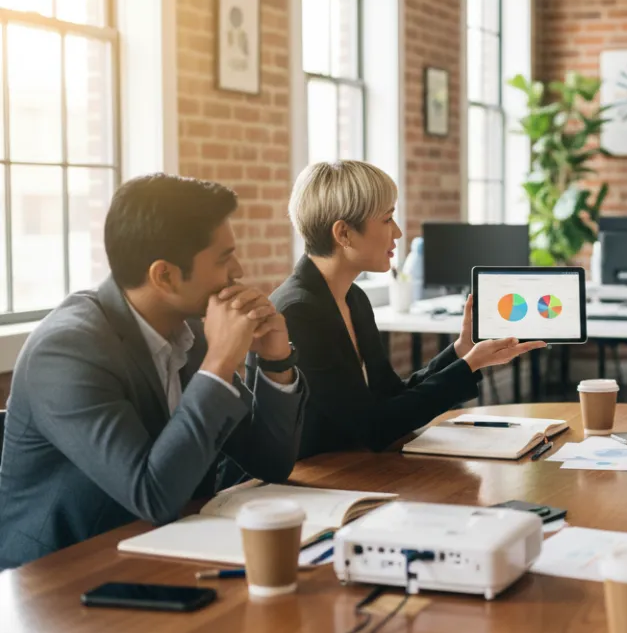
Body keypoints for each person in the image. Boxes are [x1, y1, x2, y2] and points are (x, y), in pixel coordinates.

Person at [0, 175, 306, 569]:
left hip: (160, 552)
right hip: (58, 581)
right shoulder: (67, 352)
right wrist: (219, 364)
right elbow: (154, 496)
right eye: (223, 258)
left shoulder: (190, 329)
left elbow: (269, 462)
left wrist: (276, 359)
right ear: (164, 275)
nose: (239, 269)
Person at [272, 161, 545, 458]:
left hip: (358, 465)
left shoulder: (354, 298)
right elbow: (374, 427)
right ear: (344, 233)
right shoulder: (298, 313)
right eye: (388, 219)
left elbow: (389, 397)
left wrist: (461, 352)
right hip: (318, 480)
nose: (399, 232)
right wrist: (468, 367)